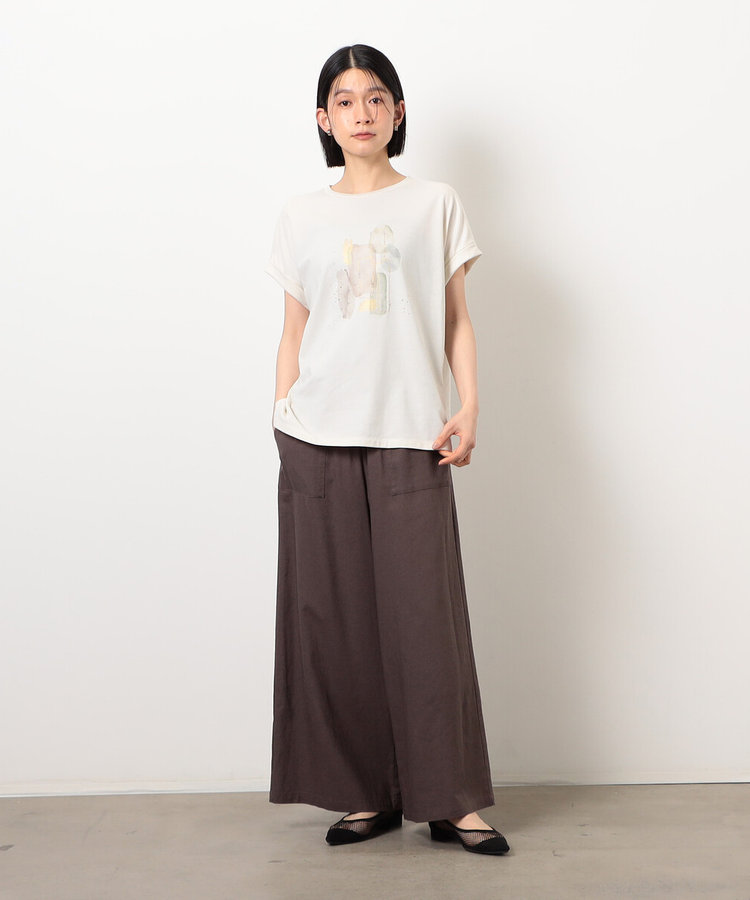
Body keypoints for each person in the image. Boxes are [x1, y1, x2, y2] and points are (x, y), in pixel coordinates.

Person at [264, 44, 510, 857]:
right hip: (316, 436)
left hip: (412, 431)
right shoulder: (301, 214)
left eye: (376, 97)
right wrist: (281, 415)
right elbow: (295, 330)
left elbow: (457, 318)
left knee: (424, 623)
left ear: (398, 112)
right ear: (324, 119)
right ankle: (362, 793)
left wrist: (468, 405)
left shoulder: (433, 204)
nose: (361, 112)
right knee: (334, 623)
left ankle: (450, 801)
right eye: (344, 100)